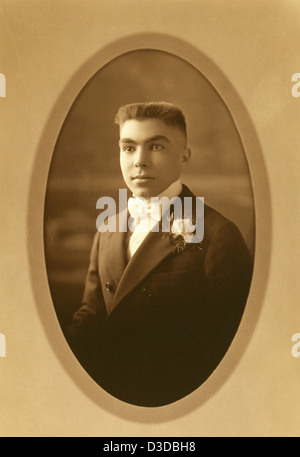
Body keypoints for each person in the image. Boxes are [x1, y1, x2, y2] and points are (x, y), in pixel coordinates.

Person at [66, 102, 253, 407]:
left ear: (184, 156)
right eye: (128, 148)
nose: (139, 161)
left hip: (176, 402)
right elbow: (90, 317)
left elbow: (230, 345)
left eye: (155, 146)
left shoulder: (219, 235)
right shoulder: (108, 230)